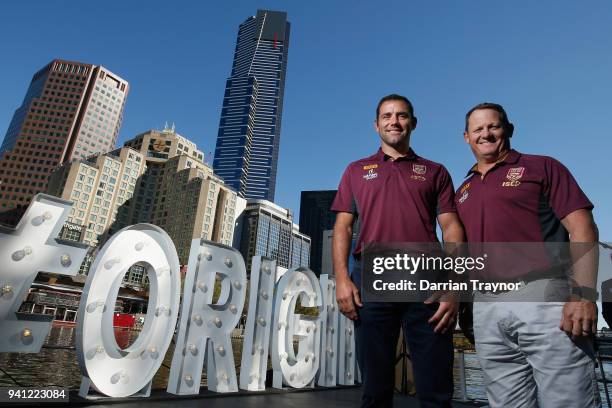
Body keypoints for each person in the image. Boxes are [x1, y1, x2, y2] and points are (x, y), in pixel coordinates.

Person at [456, 102, 600, 407]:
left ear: (508, 129)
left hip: (543, 299)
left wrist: (584, 295)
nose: (486, 133)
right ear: (466, 137)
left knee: (568, 400)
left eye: (493, 126)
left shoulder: (543, 167)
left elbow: (583, 228)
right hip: (487, 308)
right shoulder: (463, 190)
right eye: (477, 129)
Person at [332, 94, 465, 407]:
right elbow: (343, 228)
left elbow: (451, 228)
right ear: (376, 125)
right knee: (375, 389)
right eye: (387, 116)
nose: (394, 122)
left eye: (402, 116)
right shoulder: (355, 170)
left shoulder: (435, 171)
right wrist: (341, 278)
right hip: (372, 276)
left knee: (436, 387)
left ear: (413, 123)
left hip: (428, 280)